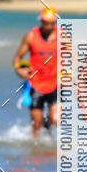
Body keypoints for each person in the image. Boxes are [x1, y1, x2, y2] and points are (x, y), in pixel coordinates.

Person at [13, 8, 58, 138]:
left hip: (54, 84)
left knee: (55, 119)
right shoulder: (31, 36)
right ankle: (35, 150)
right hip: (36, 84)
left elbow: (73, 58)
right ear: (41, 21)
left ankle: (48, 132)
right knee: (36, 125)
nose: (48, 26)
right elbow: (17, 57)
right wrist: (19, 69)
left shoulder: (62, 37)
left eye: (51, 23)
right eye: (45, 23)